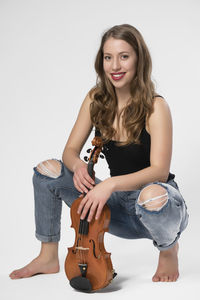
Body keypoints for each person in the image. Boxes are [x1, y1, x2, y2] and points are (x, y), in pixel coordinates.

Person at [9, 24, 189, 283]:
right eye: (108, 57)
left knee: (152, 196)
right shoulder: (96, 99)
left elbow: (158, 171)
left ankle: (168, 249)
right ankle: (48, 256)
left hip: (158, 208)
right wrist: (78, 166)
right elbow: (70, 151)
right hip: (114, 207)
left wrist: (110, 184)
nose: (115, 66)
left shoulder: (155, 106)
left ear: (139, 59)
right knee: (47, 171)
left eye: (124, 56)